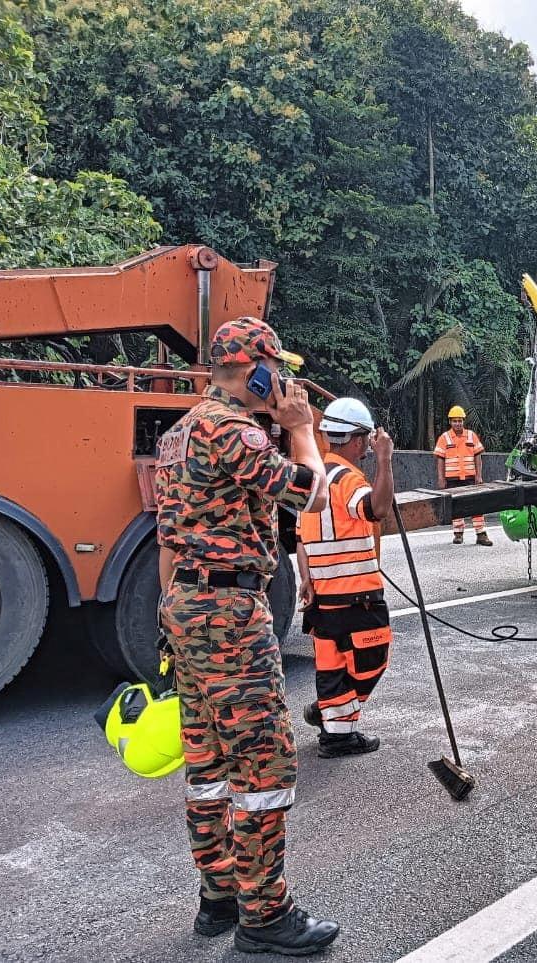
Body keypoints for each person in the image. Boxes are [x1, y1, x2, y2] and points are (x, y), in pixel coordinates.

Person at [154, 317, 340, 954]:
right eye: (277, 370)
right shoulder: (234, 429)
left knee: (207, 761)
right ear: (258, 369)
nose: (284, 381)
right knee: (262, 763)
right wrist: (300, 429)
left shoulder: (181, 432)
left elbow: (163, 537)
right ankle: (266, 918)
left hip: (185, 603)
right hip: (229, 611)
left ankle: (219, 896)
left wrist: (169, 616)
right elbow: (309, 496)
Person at [296, 397, 395, 758]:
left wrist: (305, 579)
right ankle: (330, 715)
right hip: (355, 597)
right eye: (366, 440)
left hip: (323, 598)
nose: (368, 446)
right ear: (355, 440)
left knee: (333, 665)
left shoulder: (314, 480)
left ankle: (336, 735)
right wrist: (385, 460)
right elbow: (377, 509)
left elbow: (300, 538)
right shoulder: (347, 478)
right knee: (371, 659)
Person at [434, 405, 492, 546]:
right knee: (456, 506)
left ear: (463, 421)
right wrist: (441, 479)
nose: (458, 424)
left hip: (470, 477)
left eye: (460, 421)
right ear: (450, 422)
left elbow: (478, 456)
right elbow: (440, 459)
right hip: (452, 478)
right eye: (455, 421)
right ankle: (458, 534)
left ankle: (481, 534)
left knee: (477, 504)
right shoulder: (444, 438)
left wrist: (479, 476)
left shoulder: (471, 435)